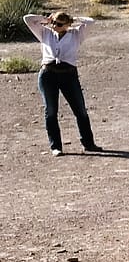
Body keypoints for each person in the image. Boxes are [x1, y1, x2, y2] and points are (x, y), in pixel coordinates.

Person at [24, 11, 102, 157]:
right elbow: (27, 19)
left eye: (59, 24)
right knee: (51, 111)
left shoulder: (76, 35)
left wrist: (74, 19)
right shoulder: (44, 33)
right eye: (54, 22)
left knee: (80, 110)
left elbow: (91, 21)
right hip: (48, 74)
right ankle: (56, 146)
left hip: (68, 75)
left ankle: (89, 144)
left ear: (67, 25)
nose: (55, 25)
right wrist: (46, 19)